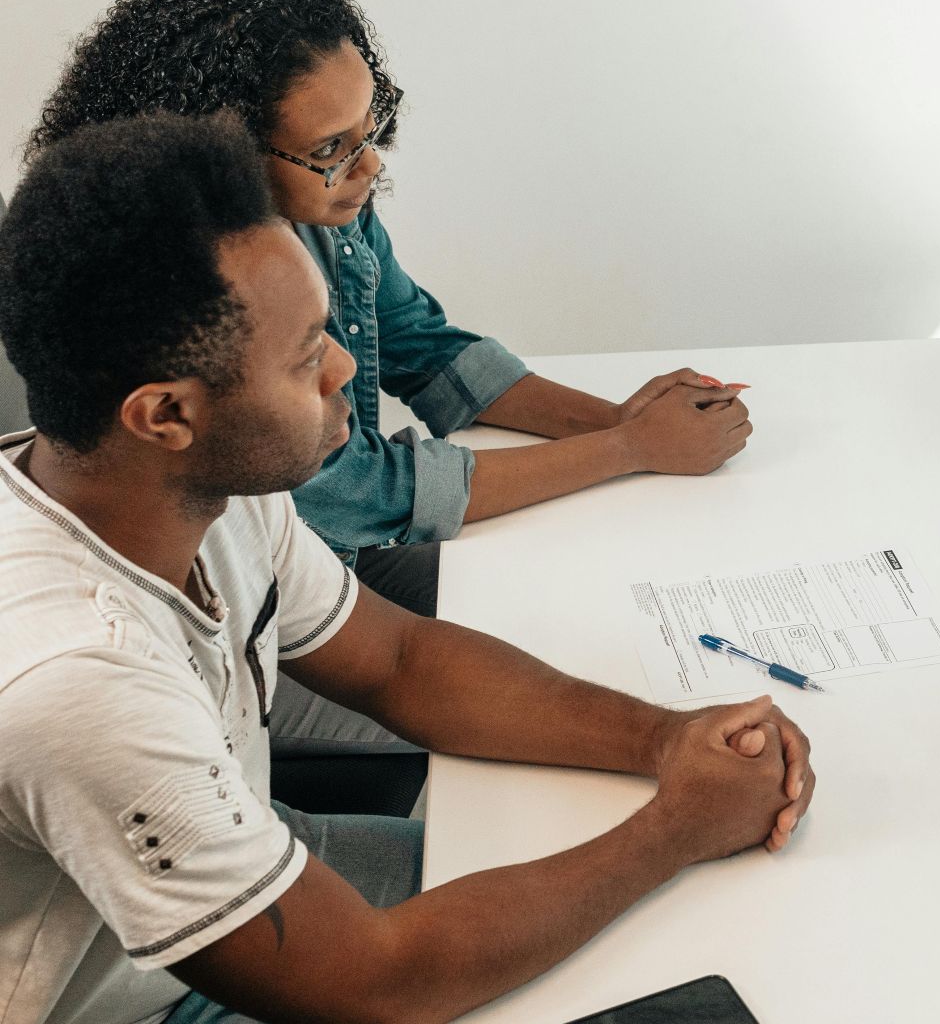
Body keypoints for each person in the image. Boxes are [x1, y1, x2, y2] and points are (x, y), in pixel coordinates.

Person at [0, 113, 815, 1024]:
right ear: (165, 415)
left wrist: (666, 742)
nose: (345, 366)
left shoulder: (210, 484)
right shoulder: (75, 678)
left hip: (230, 884)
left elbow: (400, 663)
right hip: (131, 1005)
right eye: (308, 356)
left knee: (664, 932)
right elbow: (375, 985)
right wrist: (677, 828)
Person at [28, 0, 753, 760]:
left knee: (578, 644)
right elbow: (356, 489)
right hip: (262, 624)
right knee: (506, 729)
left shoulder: (329, 216)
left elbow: (422, 345)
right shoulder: (173, 298)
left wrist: (624, 420)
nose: (372, 164)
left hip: (327, 577)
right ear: (222, 150)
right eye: (334, 147)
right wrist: (626, 450)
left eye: (372, 126)